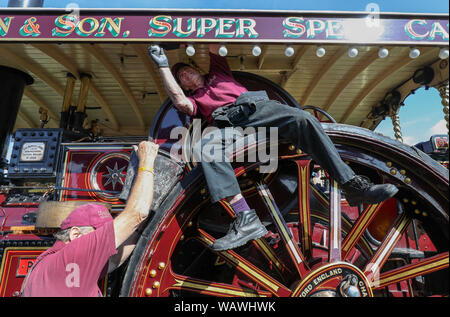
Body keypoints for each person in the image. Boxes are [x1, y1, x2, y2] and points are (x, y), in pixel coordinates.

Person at [148, 44, 398, 252]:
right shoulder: (195, 100)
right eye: (182, 78)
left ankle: (352, 185)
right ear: (186, 86)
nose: (187, 76)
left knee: (303, 119)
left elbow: (215, 45)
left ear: (197, 70)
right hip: (229, 125)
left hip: (257, 110)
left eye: (188, 71)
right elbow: (179, 101)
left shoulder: (219, 73)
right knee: (207, 147)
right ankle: (244, 217)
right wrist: (162, 65)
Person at [21, 140, 159, 297]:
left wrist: (138, 227)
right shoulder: (74, 255)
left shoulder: (55, 263)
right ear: (76, 235)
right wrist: (147, 163)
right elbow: (137, 213)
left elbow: (113, 260)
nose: (107, 245)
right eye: (97, 234)